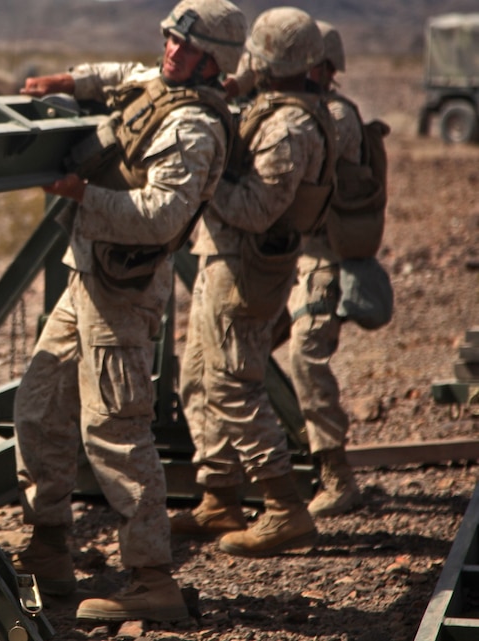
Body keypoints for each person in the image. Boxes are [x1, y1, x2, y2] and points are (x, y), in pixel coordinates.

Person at [11, 0, 246, 624]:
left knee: (114, 432)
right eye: (170, 38)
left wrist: (84, 196)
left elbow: (160, 217)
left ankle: (151, 578)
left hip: (123, 289)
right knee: (39, 404)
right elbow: (123, 74)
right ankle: (49, 543)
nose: (172, 51)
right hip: (88, 276)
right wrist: (71, 80)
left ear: (214, 63)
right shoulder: (160, 85)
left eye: (187, 48)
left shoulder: (193, 127)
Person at [171, 7, 335, 557]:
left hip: (246, 270)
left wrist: (203, 176)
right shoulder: (278, 106)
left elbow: (256, 209)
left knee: (232, 387)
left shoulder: (288, 128)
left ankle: (284, 508)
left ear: (264, 60)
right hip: (225, 261)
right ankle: (220, 494)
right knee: (197, 375)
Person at [284, 21, 365, 518]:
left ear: (317, 66)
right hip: (296, 256)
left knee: (306, 355)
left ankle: (337, 475)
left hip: (324, 259)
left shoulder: (335, 117)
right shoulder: (311, 111)